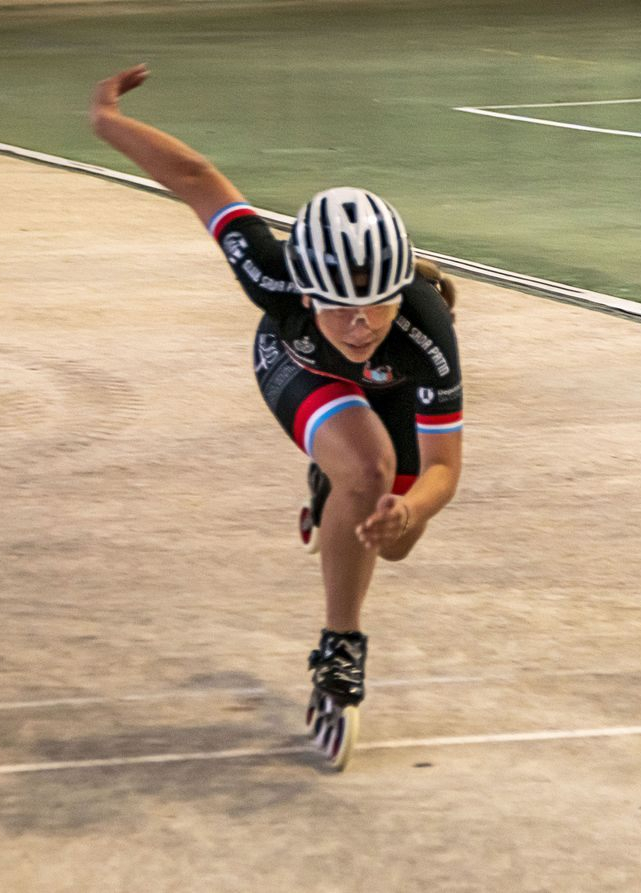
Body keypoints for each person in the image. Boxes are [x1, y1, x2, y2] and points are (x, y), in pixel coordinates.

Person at [90, 65, 463, 767]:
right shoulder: (272, 273)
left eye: (378, 303)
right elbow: (196, 177)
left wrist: (412, 511)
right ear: (307, 291)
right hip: (299, 364)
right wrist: (105, 120)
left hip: (388, 385)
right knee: (369, 469)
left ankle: (332, 482)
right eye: (340, 307)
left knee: (394, 537)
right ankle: (340, 647)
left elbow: (445, 467)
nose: (360, 324)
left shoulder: (424, 327)